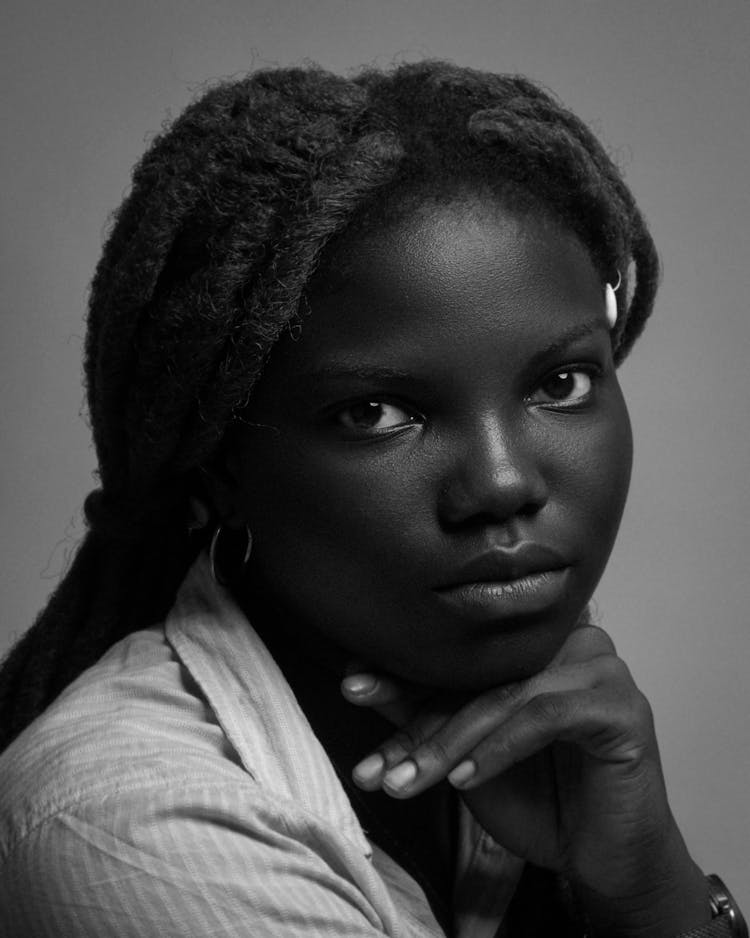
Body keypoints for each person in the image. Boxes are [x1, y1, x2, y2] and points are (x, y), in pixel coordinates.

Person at [0, 60, 745, 938]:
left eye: (562, 382)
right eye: (375, 412)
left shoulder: (531, 735)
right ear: (218, 468)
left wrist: (648, 884)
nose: (504, 483)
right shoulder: (137, 823)